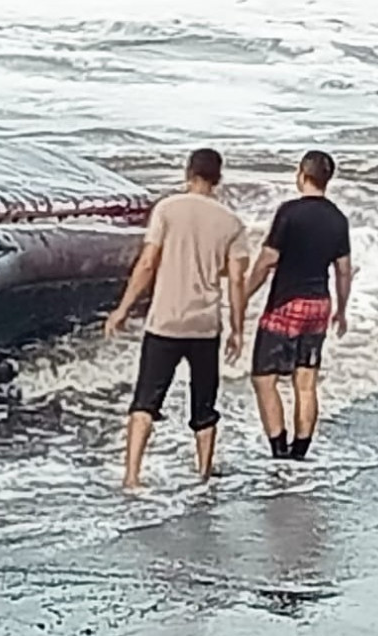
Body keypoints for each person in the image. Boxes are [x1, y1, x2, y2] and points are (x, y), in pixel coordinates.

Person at [104, 148, 250, 490]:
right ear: (219, 178)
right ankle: (203, 474)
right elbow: (238, 281)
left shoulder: (167, 209)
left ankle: (132, 476)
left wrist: (122, 309)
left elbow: (147, 263)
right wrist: (238, 330)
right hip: (205, 325)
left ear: (188, 172)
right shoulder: (231, 223)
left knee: (145, 400)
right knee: (204, 403)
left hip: (165, 321)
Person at [244, 150, 352, 460]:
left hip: (287, 304)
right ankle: (300, 452)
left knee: (264, 378)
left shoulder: (289, 212)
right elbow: (343, 270)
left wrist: (243, 295)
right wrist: (341, 310)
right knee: (306, 382)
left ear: (301, 175)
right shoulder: (337, 218)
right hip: (319, 305)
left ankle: (279, 449)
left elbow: (268, 260)